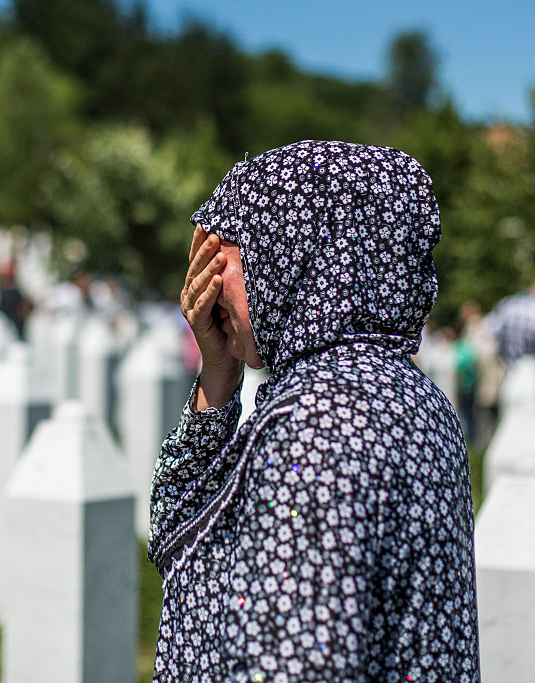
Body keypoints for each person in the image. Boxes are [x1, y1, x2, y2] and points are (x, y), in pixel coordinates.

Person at [148, 141, 479, 682]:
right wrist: (219, 369)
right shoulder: (408, 395)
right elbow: (181, 536)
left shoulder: (316, 426)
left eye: (224, 255)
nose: (204, 284)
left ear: (292, 256)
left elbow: (294, 661)